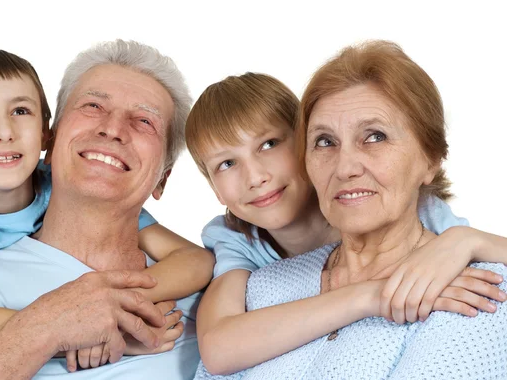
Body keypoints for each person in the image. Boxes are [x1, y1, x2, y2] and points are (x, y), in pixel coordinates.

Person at [195, 40, 507, 379]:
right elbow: (217, 351)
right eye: (325, 141)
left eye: (374, 136)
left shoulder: (472, 288)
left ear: (430, 159)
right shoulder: (258, 286)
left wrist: (465, 240)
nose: (345, 168)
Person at [0, 40, 212, 379]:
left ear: (163, 178)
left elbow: (198, 261)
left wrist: (116, 305)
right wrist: (53, 325)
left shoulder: (222, 293)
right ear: (51, 142)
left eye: (143, 121)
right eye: (93, 105)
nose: (112, 129)